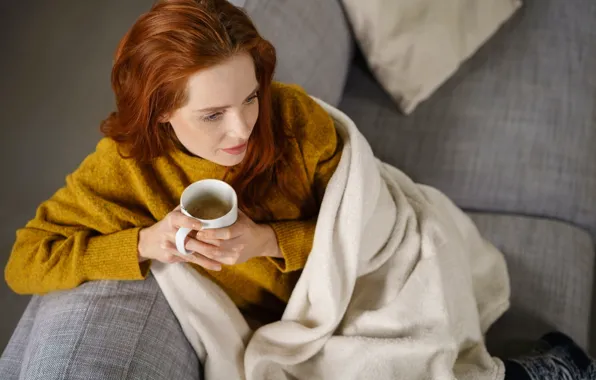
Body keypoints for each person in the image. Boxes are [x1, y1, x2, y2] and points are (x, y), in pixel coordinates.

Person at [0, 1, 594, 379]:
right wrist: (145, 243)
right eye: (212, 115)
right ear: (159, 114)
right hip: (294, 320)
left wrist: (264, 242)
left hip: (369, 272)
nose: (241, 130)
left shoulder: (293, 119)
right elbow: (25, 262)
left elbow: (363, 232)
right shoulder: (126, 168)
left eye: (250, 97)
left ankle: (551, 368)